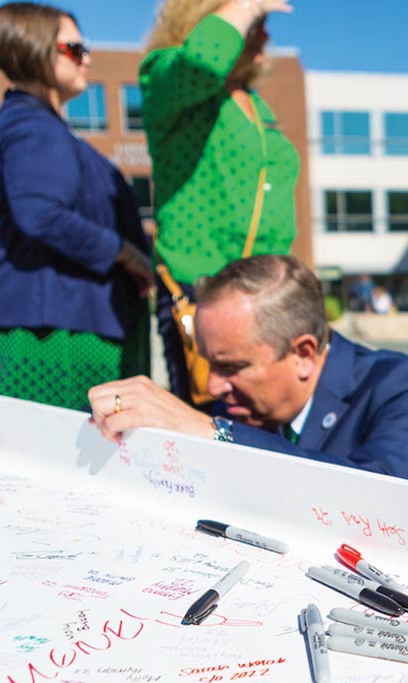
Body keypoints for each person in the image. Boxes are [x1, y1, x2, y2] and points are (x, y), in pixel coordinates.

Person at [88, 255, 408, 492]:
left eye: (231, 367)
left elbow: (379, 498)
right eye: (208, 363)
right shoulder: (237, 404)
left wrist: (215, 434)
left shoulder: (406, 389)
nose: (211, 386)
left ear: (303, 353)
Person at [0, 2, 152, 410]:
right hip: (48, 339)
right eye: (75, 49)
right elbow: (41, 214)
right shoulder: (31, 124)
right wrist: (127, 255)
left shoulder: (34, 125)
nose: (87, 58)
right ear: (38, 49)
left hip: (62, 327)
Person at [141, 0, 300, 401]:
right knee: (218, 429)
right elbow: (204, 62)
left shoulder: (253, 101)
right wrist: (247, 4)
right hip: (204, 296)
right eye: (254, 22)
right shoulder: (168, 80)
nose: (264, 34)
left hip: (266, 296)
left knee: (269, 429)